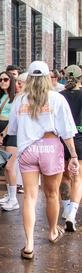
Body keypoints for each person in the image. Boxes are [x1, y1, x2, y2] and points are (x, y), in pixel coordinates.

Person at [7, 61, 78, 259]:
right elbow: (67, 131)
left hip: (28, 149)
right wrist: (73, 155)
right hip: (50, 147)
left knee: (30, 196)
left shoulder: (20, 100)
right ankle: (52, 231)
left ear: (28, 78)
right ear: (48, 77)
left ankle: (29, 244)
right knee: (52, 194)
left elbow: (12, 129)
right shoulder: (57, 98)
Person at [58, 64, 82, 232]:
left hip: (62, 140)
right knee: (78, 178)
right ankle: (72, 215)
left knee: (64, 177)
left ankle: (66, 211)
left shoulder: (59, 96)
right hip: (80, 139)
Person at [0, 71, 20, 211]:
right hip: (1, 133)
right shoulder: (0, 97)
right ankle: (9, 195)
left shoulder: (16, 97)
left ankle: (14, 199)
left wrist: (3, 133)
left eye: (6, 79)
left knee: (10, 166)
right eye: (0, 79)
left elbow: (15, 118)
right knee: (5, 166)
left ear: (11, 81)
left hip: (12, 133)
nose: (2, 82)